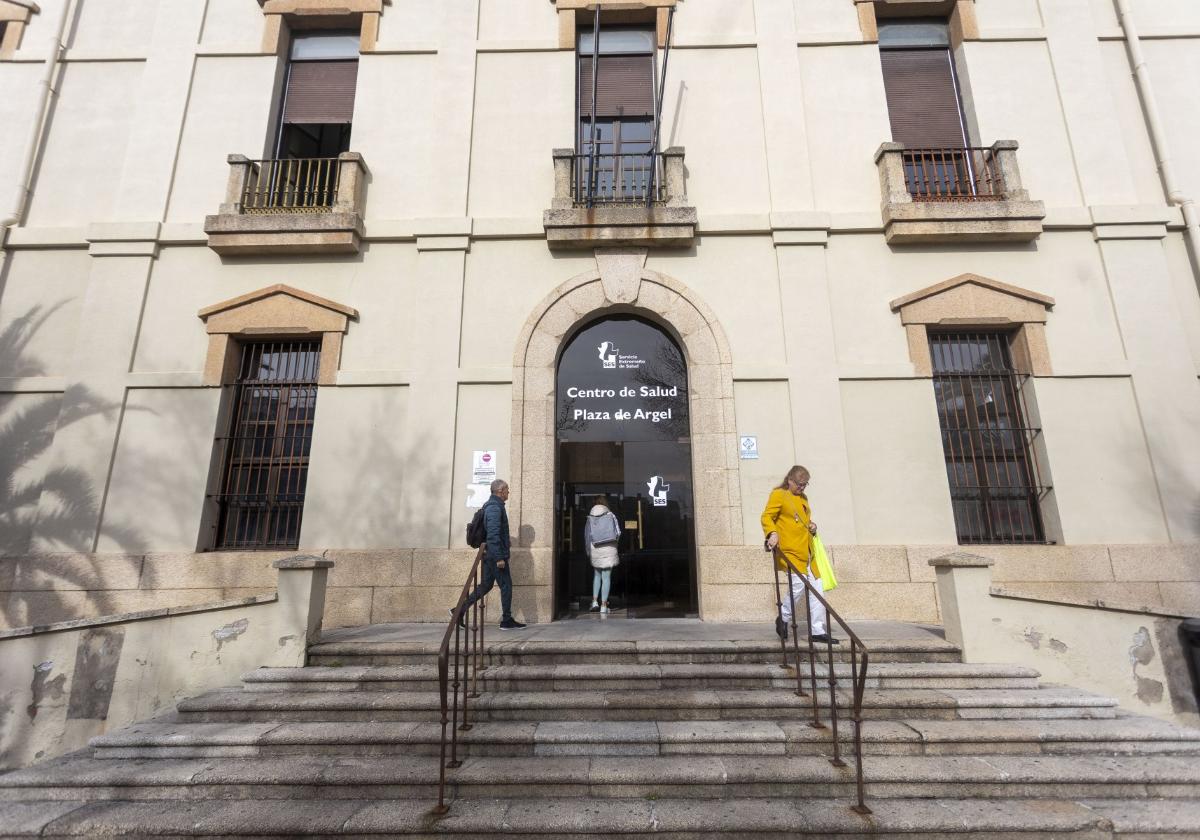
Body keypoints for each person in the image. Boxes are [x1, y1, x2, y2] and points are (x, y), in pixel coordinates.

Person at [761, 465, 837, 644]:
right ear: (790, 480)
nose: (802, 488)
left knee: (817, 588)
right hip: (791, 551)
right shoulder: (779, 494)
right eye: (799, 484)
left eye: (805, 484)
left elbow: (803, 520)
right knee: (798, 585)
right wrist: (772, 533)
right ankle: (784, 617)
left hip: (808, 551)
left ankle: (817, 630)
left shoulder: (803, 498)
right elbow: (766, 517)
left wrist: (812, 526)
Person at [457, 479, 526, 630]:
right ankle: (506, 620)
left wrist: (505, 542)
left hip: (490, 554)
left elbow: (496, 533)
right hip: (495, 556)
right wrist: (499, 557)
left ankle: (458, 611)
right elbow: (493, 534)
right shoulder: (495, 508)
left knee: (486, 586)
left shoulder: (493, 505)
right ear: (500, 491)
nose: (508, 492)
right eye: (507, 490)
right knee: (506, 585)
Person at [583, 496, 621, 615]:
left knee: (597, 575)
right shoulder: (611, 515)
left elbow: (587, 535)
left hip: (596, 548)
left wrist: (588, 550)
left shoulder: (590, 517)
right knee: (606, 577)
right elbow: (618, 532)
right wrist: (614, 545)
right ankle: (604, 606)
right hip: (609, 547)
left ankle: (594, 602)